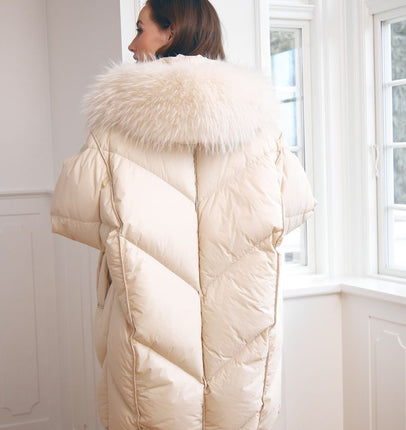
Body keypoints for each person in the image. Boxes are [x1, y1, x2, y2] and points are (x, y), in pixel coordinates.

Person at [50, 0, 316, 429]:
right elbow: (295, 205)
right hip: (241, 336)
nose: (133, 44)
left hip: (150, 340)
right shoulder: (261, 126)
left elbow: (71, 210)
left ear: (169, 33)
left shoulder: (116, 126)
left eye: (141, 29)